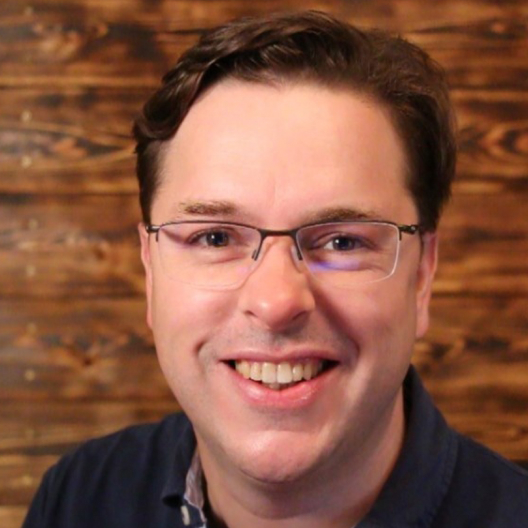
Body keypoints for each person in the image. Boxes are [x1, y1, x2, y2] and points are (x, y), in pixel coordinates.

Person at [22, 10, 528, 528]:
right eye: (214, 237)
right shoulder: (79, 498)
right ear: (151, 272)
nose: (275, 301)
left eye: (342, 240)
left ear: (421, 278)